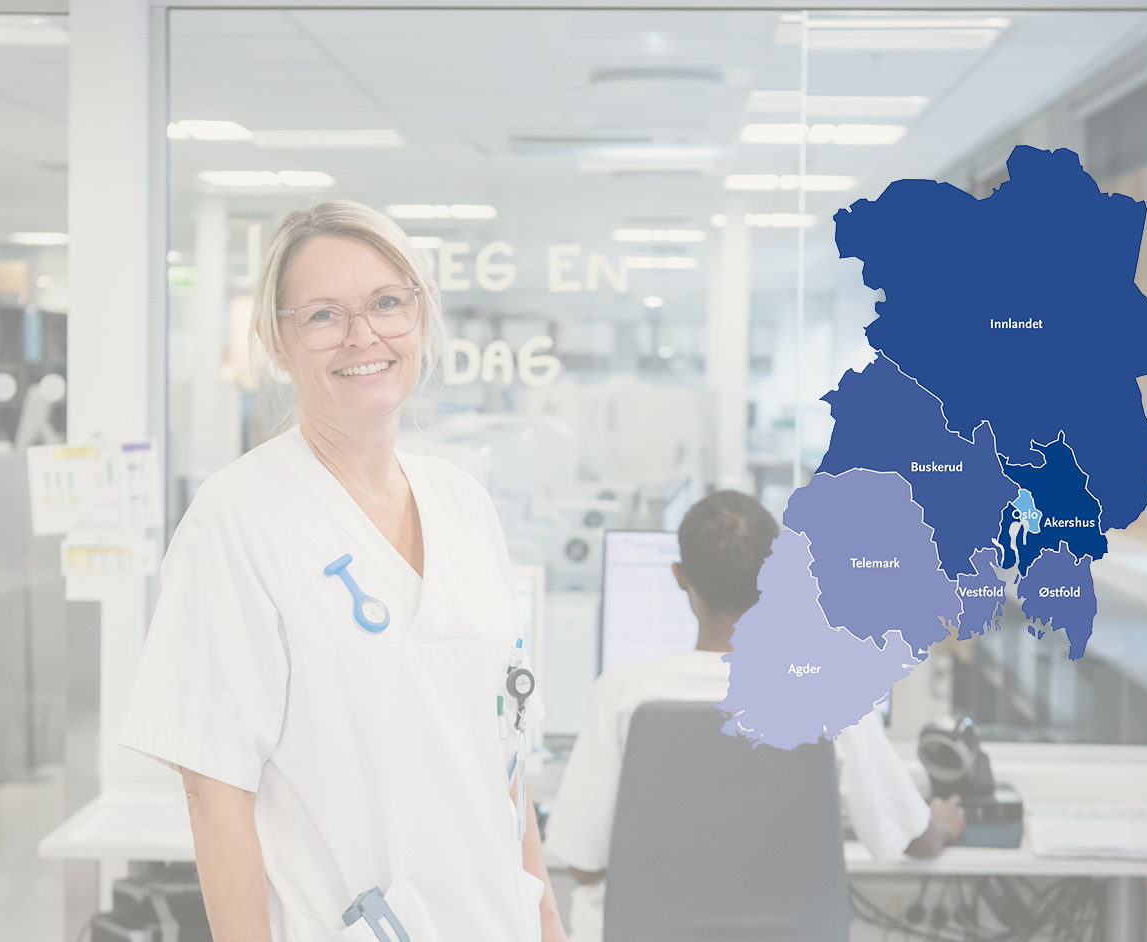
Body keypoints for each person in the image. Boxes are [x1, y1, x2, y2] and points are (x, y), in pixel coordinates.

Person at [117, 200, 567, 942]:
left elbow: (505, 768)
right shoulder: (237, 518)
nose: (364, 336)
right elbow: (214, 791)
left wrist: (548, 919)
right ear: (276, 340)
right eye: (324, 315)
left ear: (419, 317)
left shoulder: (464, 504)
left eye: (388, 303)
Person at [544, 490, 966, 942]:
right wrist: (939, 823)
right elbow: (908, 838)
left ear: (680, 577)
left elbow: (584, 867)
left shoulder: (621, 695)